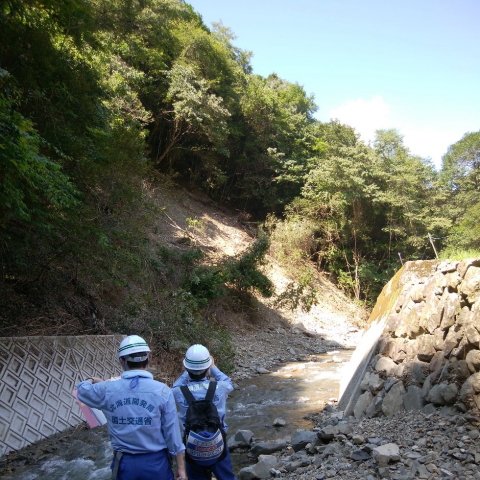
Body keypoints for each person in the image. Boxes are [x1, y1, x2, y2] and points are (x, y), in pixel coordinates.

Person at [76, 335, 186, 480]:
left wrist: (91, 380)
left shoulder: (107, 390)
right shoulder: (163, 391)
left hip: (124, 464)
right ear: (150, 358)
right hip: (156, 463)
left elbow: (82, 390)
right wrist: (181, 467)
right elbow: (173, 435)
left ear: (122, 360)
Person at [172, 344, 237, 480]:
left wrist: (186, 371)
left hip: (193, 445)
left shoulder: (179, 392)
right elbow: (228, 381)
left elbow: (175, 386)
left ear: (186, 367)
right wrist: (213, 368)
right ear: (207, 367)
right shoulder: (220, 387)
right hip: (218, 442)